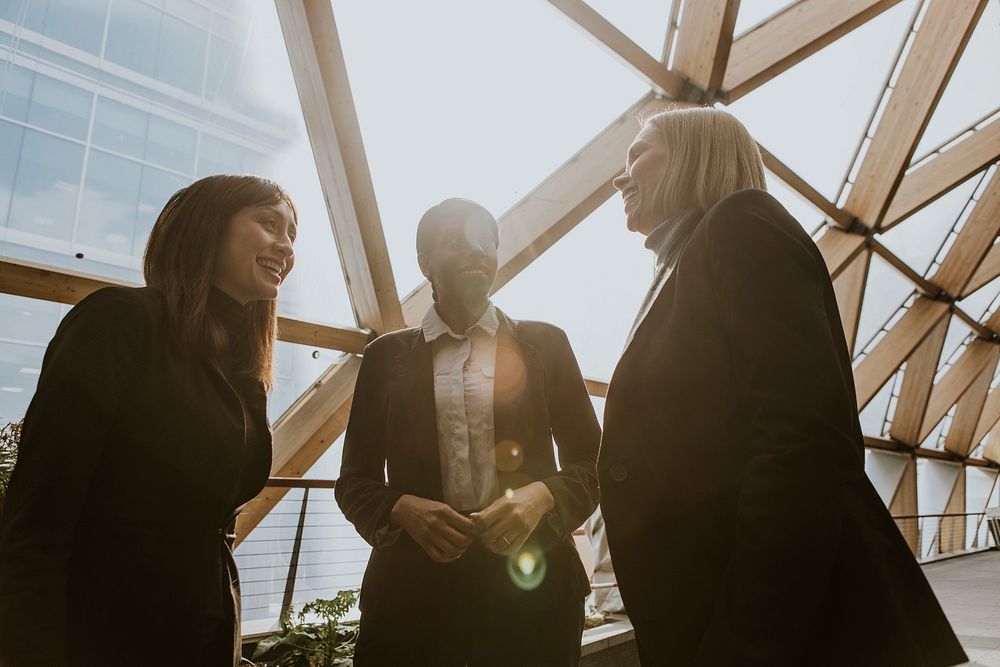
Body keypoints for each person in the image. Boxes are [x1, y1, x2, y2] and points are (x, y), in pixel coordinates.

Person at [598, 107, 967, 666]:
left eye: (638, 155)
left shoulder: (740, 226)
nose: (620, 177)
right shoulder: (686, 261)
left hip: (778, 631)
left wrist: (744, 640)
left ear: (696, 155)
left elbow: (802, 441)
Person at [0, 174, 297, 666]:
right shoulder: (121, 320)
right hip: (105, 634)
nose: (285, 246)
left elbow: (214, 524)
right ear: (207, 227)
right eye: (270, 224)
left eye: (291, 235)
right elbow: (38, 516)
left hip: (199, 634)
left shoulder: (244, 369)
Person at [336, 198, 600, 666]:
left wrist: (540, 497)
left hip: (534, 593)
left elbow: (594, 464)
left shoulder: (546, 344)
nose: (478, 252)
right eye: (457, 241)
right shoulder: (385, 358)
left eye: (487, 242)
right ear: (425, 262)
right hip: (414, 600)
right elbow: (354, 482)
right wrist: (401, 508)